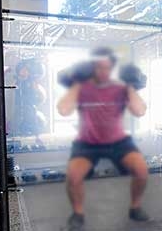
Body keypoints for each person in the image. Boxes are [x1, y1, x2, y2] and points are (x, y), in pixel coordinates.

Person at [57, 48, 150, 231]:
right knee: (73, 176)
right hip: (87, 143)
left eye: (108, 68)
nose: (104, 72)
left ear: (112, 67)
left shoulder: (120, 87)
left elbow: (139, 111)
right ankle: (78, 213)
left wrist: (130, 85)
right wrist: (76, 81)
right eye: (99, 67)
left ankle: (135, 207)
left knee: (141, 170)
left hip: (118, 141)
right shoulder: (82, 87)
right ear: (92, 67)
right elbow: (64, 110)